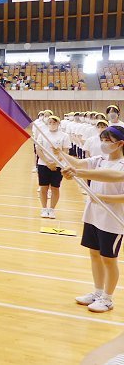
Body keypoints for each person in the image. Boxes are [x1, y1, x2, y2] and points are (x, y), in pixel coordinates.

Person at [61, 125, 124, 313]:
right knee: (94, 255)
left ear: (120, 143)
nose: (103, 144)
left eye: (108, 141)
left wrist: (104, 198)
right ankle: (97, 292)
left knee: (109, 259)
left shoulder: (122, 165)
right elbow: (79, 164)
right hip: (93, 216)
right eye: (102, 140)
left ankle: (108, 298)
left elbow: (114, 177)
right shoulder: (100, 160)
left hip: (113, 220)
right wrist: (61, 155)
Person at [35, 115, 71, 219]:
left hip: (58, 166)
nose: (52, 124)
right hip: (43, 164)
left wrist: (55, 163)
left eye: (54, 122)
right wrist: (47, 162)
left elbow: (65, 151)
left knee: (55, 188)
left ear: (58, 124)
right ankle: (44, 209)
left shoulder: (64, 136)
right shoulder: (42, 135)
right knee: (43, 187)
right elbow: (38, 150)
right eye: (50, 122)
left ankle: (51, 209)